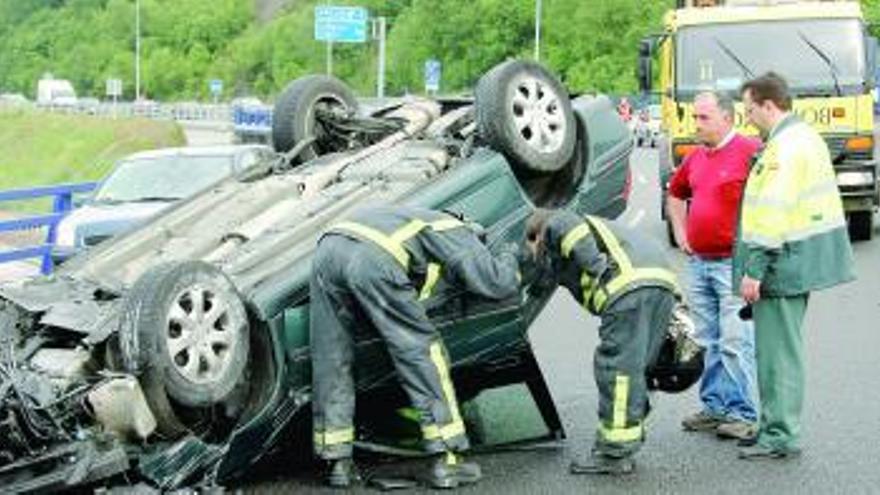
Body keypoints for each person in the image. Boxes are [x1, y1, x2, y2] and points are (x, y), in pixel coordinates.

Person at [309, 204, 520, 488]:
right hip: (372, 256)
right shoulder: (457, 231)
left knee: (331, 355)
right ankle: (447, 458)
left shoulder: (411, 217)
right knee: (421, 351)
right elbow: (497, 283)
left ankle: (337, 461)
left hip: (329, 248)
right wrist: (510, 254)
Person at [736, 73, 855, 459]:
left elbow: (773, 213)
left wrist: (754, 269)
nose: (747, 116)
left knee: (778, 356)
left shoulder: (785, 148)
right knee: (776, 352)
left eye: (749, 108)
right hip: (790, 260)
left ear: (769, 105)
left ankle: (779, 434)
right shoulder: (798, 138)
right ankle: (773, 424)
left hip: (780, 264)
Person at [525, 208, 680, 476]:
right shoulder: (559, 255)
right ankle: (629, 435)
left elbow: (566, 226)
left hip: (629, 287)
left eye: (530, 245)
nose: (530, 253)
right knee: (637, 368)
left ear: (536, 234)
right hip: (660, 282)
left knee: (617, 370)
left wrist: (595, 265)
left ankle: (614, 454)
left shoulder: (554, 224)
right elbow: (540, 286)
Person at [667, 91, 761, 441]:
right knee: (708, 341)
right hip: (700, 264)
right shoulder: (695, 157)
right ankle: (716, 407)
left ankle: (743, 414)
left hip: (734, 264)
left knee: (736, 341)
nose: (696, 124)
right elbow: (675, 193)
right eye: (695, 117)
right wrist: (680, 230)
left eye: (704, 118)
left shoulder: (751, 151)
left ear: (727, 118)